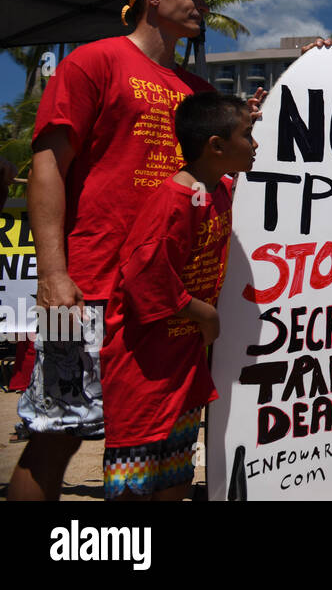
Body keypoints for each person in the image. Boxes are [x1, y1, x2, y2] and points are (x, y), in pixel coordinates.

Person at [9, 0, 231, 501]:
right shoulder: (94, 62)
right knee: (54, 434)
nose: (203, 2)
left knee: (163, 441)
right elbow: (47, 167)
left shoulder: (198, 92)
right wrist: (54, 274)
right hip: (84, 288)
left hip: (165, 300)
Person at [99, 93, 256, 499]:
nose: (255, 144)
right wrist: (205, 315)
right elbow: (144, 278)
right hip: (145, 366)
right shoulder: (174, 201)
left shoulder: (217, 188)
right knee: (137, 478)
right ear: (217, 147)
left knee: (177, 468)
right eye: (248, 135)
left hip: (183, 361)